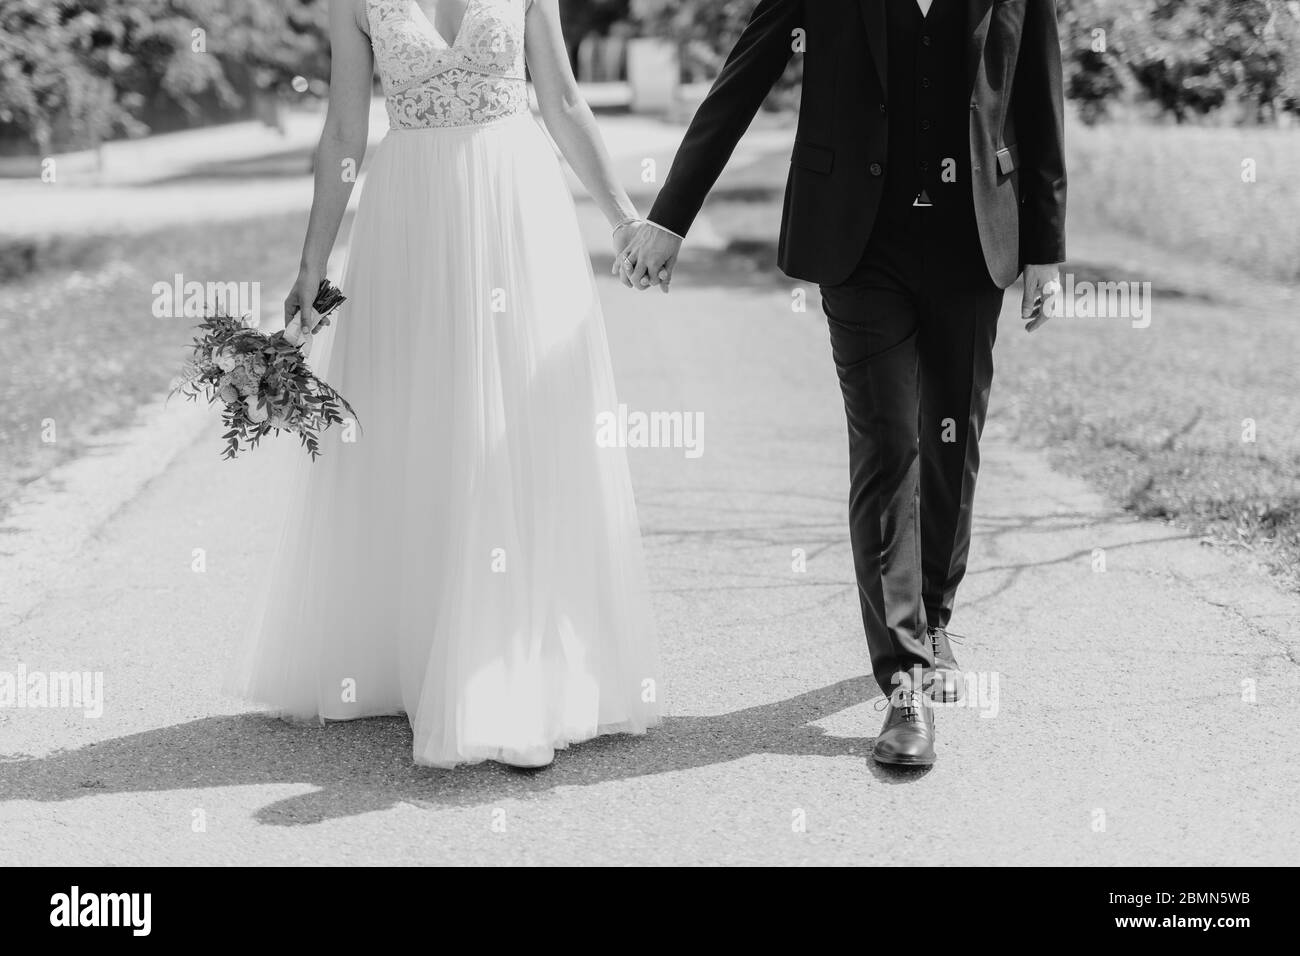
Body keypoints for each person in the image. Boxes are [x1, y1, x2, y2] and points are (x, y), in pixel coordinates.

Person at [618, 0, 1067, 766]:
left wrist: (1047, 247)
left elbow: (1038, 92)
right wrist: (671, 217)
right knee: (888, 447)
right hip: (860, 246)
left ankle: (933, 615)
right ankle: (903, 687)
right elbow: (745, 75)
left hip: (974, 239)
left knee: (953, 439)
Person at [224, 0, 660, 769]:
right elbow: (343, 133)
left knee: (516, 425)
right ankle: (418, 650)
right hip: (411, 221)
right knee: (424, 422)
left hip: (517, 211)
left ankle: (511, 665)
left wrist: (625, 220)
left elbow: (558, 100)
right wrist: (309, 267)